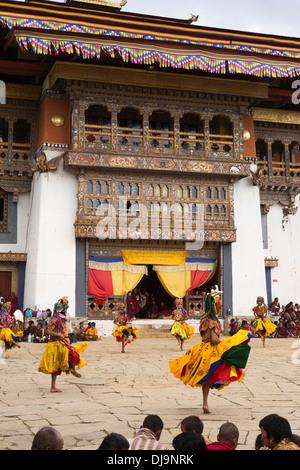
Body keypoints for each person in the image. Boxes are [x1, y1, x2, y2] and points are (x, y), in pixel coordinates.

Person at [169, 287, 252, 414]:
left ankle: (205, 403)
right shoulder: (213, 323)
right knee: (226, 362)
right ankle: (238, 373)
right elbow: (214, 339)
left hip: (202, 349)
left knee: (206, 379)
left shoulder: (204, 321)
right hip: (212, 350)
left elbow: (204, 336)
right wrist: (224, 342)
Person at [38, 297, 88, 392]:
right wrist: (58, 335)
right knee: (56, 365)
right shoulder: (55, 319)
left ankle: (72, 369)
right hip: (54, 345)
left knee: (74, 354)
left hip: (61, 343)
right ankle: (53, 386)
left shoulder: (62, 319)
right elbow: (48, 331)